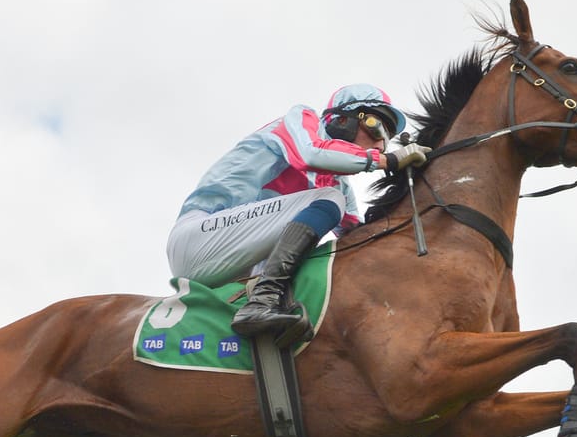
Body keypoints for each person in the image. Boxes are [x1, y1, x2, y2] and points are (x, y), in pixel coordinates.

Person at [167, 84, 430, 345]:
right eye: (377, 126)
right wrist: (389, 162)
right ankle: (263, 299)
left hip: (236, 265)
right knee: (330, 200)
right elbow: (312, 152)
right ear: (341, 119)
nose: (381, 144)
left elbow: (358, 237)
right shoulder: (302, 120)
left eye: (388, 138)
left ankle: (264, 300)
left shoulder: (338, 185)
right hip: (198, 237)